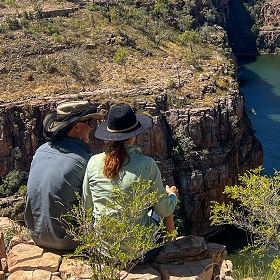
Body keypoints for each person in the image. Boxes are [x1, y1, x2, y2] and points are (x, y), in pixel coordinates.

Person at [83, 103, 179, 238]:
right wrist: (173, 196)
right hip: (139, 247)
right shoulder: (147, 164)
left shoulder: (93, 162)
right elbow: (164, 210)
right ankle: (173, 243)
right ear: (134, 135)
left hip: (103, 247)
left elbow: (87, 206)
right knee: (161, 205)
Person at [24, 100, 103, 251]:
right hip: (67, 241)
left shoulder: (40, 151)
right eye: (89, 121)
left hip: (36, 236)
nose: (92, 126)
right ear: (76, 126)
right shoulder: (84, 161)